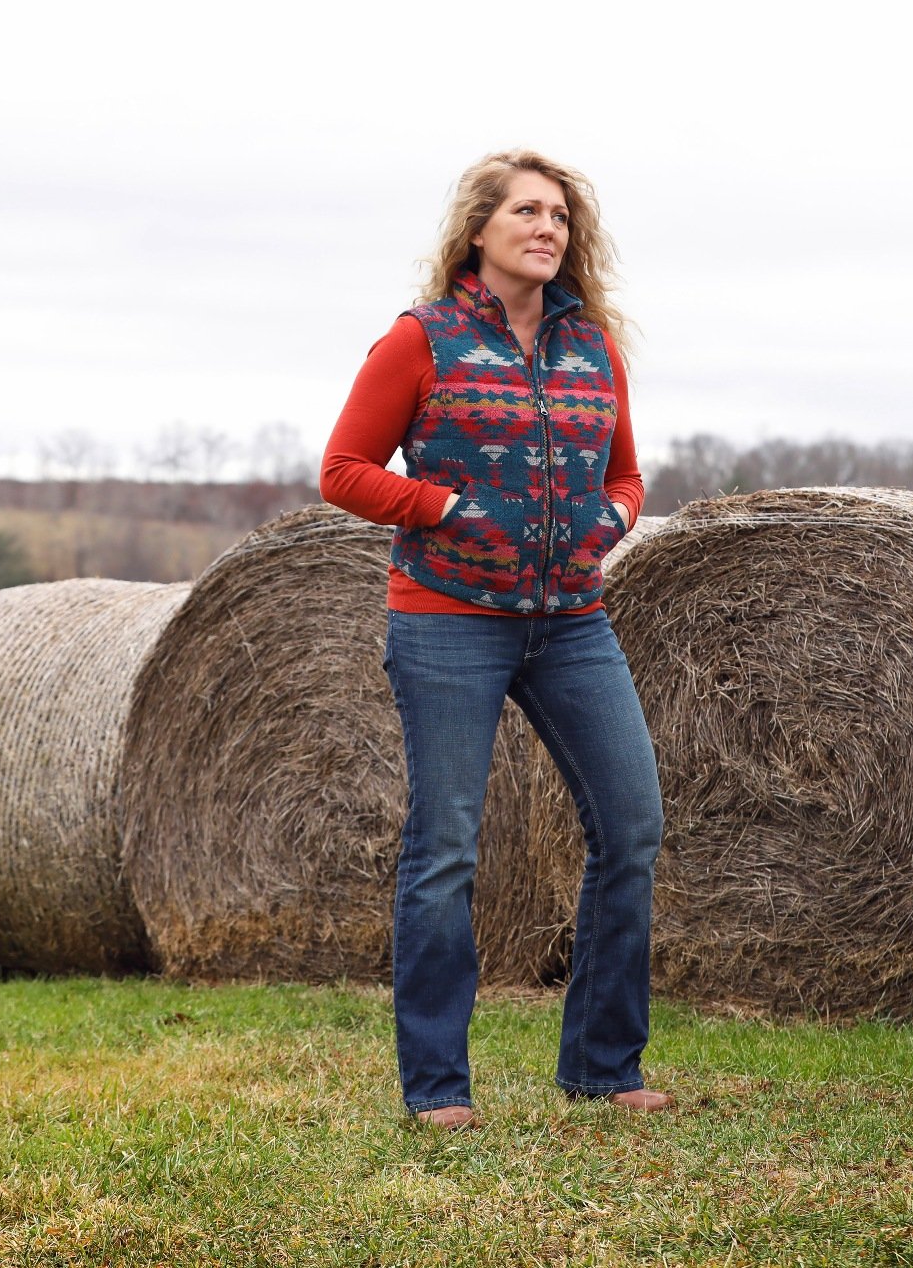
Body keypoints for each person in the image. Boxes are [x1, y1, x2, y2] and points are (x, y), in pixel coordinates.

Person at [320, 149, 671, 1129]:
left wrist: (615, 520)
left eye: (560, 215)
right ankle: (438, 1088)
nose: (547, 228)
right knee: (446, 850)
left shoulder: (592, 348)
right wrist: (446, 505)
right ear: (479, 230)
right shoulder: (422, 341)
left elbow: (629, 475)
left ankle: (605, 1065)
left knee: (632, 826)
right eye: (526, 211)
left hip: (571, 622)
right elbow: (344, 469)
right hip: (446, 622)